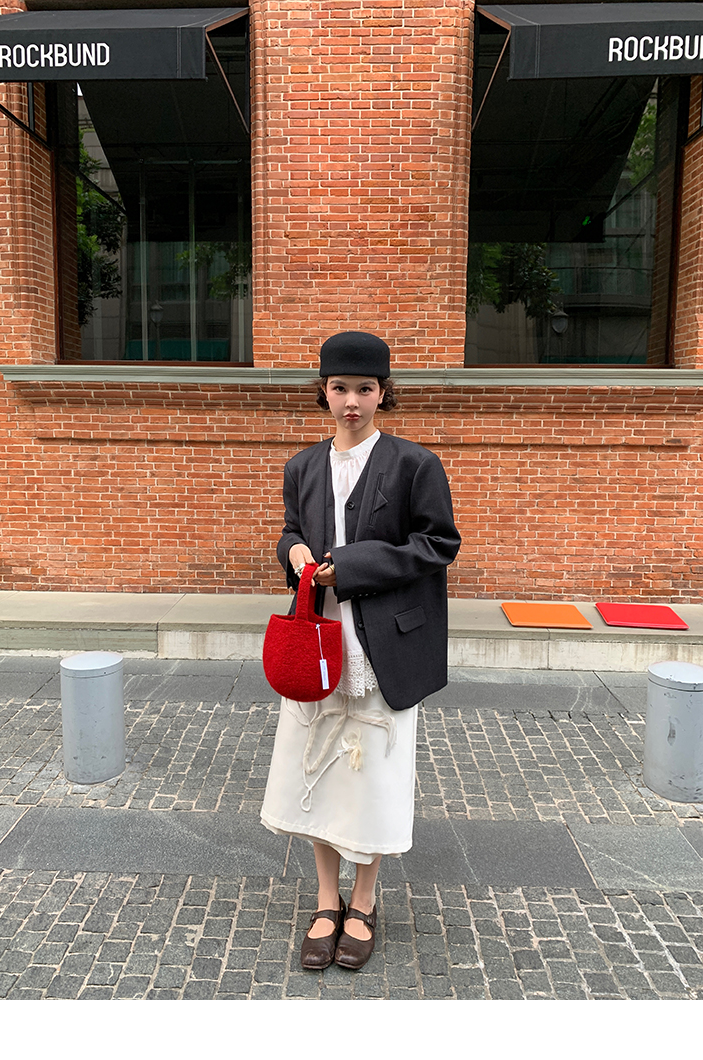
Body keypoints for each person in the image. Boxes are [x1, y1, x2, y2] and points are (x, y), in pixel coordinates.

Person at [261, 331, 461, 971]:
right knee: (316, 771)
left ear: (383, 393)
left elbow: (438, 544)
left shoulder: (415, 465)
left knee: (373, 776)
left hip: (384, 647)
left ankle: (365, 902)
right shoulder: (302, 467)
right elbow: (293, 530)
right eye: (340, 388)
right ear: (323, 391)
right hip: (317, 643)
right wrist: (293, 551)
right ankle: (327, 900)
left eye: (365, 389)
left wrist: (346, 567)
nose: (352, 401)